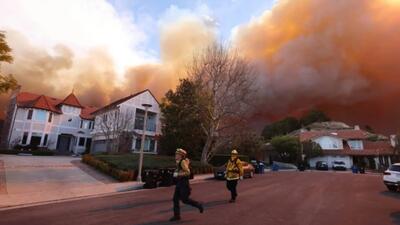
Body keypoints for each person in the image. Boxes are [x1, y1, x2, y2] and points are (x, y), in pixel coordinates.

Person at [170, 148, 204, 222]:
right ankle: (177, 216)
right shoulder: (178, 162)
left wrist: (178, 174)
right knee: (175, 199)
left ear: (181, 155)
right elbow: (180, 170)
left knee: (185, 200)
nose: (175, 155)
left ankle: (198, 205)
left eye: (177, 154)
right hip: (179, 183)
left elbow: (188, 172)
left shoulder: (182, 162)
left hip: (184, 183)